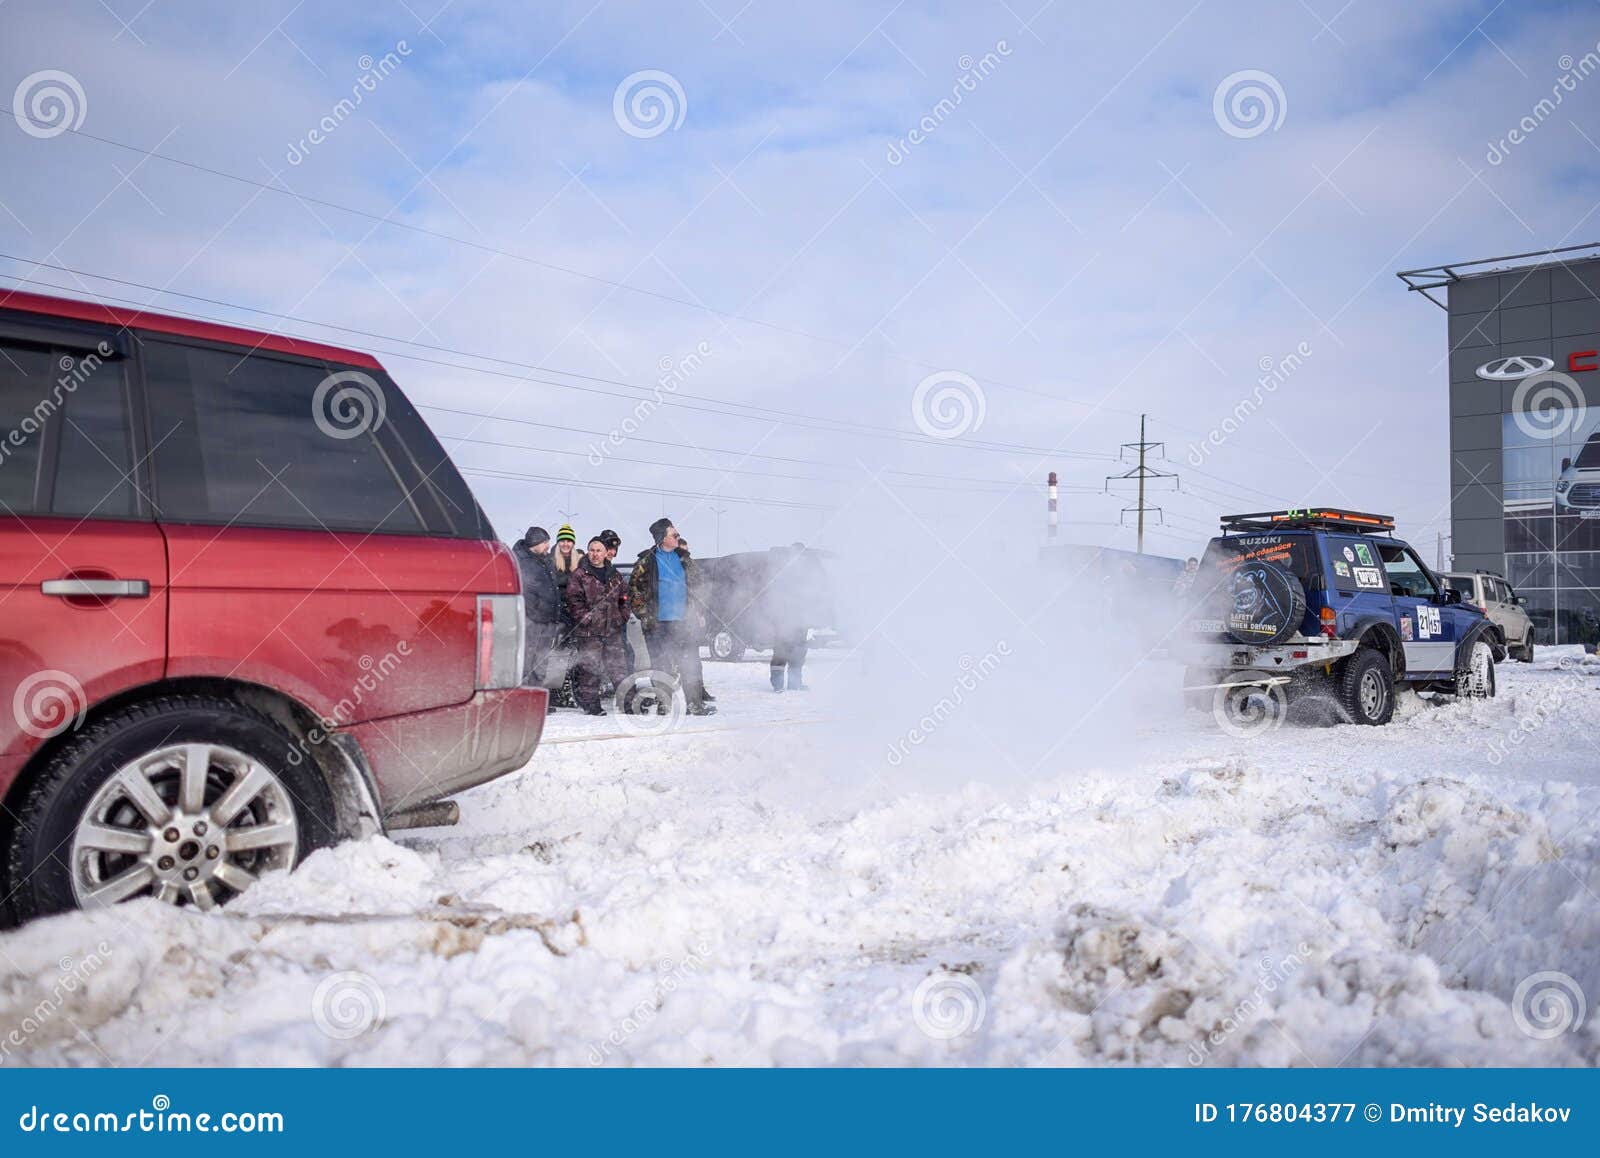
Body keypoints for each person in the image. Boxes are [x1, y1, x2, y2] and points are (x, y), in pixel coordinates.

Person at [628, 517, 715, 715]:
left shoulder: (685, 558)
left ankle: (695, 705)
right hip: (658, 626)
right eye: (673, 534)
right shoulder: (646, 562)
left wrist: (699, 611)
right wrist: (645, 616)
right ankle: (663, 705)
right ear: (662, 538)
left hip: (685, 623)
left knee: (689, 663)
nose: (678, 537)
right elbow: (634, 592)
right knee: (661, 666)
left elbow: (698, 586)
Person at [565, 536, 631, 715]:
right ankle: (591, 706)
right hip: (589, 632)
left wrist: (622, 616)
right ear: (588, 552)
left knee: (618, 668)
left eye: (598, 550)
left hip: (612, 630)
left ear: (605, 553)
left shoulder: (615, 575)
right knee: (590, 668)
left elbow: (624, 598)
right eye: (591, 550)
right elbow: (573, 600)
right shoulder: (579, 574)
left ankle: (628, 703)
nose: (595, 554)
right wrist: (586, 618)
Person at [511, 526, 562, 686]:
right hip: (532, 623)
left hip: (547, 622)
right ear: (535, 543)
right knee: (527, 661)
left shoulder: (545, 560)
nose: (548, 546)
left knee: (541, 662)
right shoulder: (522, 561)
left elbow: (553, 588)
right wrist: (534, 614)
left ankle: (535, 694)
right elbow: (524, 591)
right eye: (545, 542)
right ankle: (523, 697)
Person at [768, 542, 817, 693]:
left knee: (798, 652)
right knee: (781, 652)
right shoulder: (783, 571)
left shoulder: (805, 573)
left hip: (800, 620)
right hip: (783, 619)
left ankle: (794, 684)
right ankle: (777, 684)